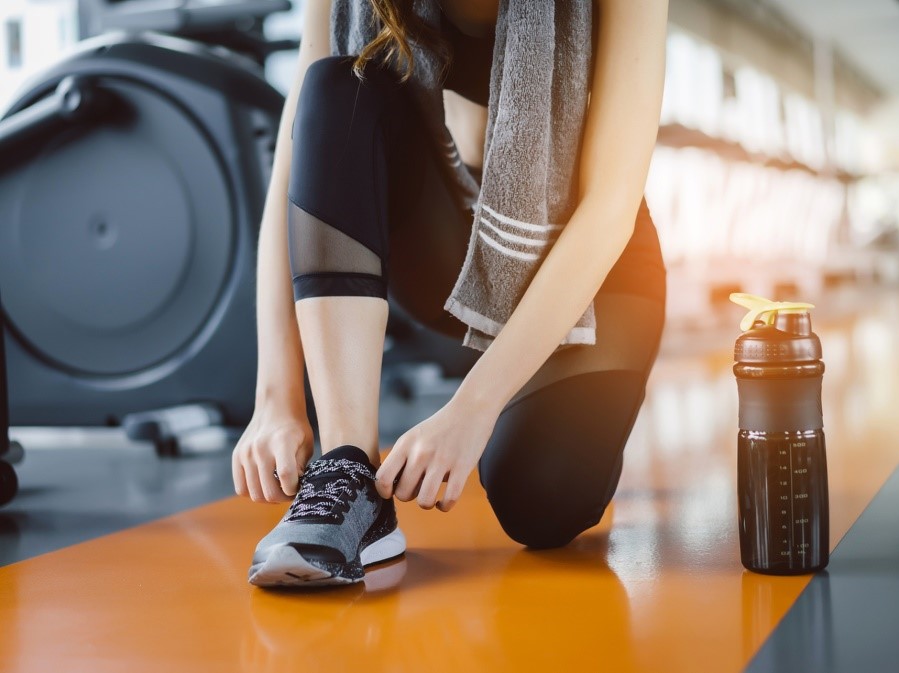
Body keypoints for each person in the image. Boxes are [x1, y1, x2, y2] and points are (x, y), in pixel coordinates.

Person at [235, 0, 669, 588]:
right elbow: (298, 157)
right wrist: (275, 397)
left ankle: (548, 395)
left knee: (542, 500)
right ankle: (350, 480)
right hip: (447, 247)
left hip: (594, 274)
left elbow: (611, 206)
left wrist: (474, 408)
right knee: (341, 82)